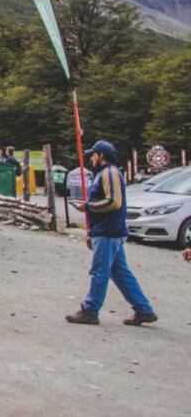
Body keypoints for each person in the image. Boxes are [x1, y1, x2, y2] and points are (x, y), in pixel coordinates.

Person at [66, 140, 157, 326]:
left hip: (108, 231)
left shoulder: (110, 173)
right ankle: (143, 309)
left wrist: (87, 207)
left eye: (93, 154)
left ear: (101, 155)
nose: (91, 158)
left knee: (99, 271)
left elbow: (114, 202)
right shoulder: (105, 173)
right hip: (106, 230)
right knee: (120, 273)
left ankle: (90, 310)